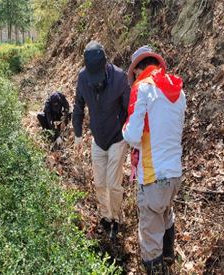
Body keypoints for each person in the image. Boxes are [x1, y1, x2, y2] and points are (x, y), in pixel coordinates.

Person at [122, 46, 186, 274]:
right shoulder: (178, 90)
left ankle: (157, 268)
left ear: (140, 69)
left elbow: (132, 135)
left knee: (150, 235)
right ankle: (170, 261)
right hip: (174, 174)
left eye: (135, 74)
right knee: (166, 214)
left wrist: (124, 128)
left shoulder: (143, 88)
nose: (135, 79)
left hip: (152, 177)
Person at [73, 41, 130, 239]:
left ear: (106, 64)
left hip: (117, 137)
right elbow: (78, 106)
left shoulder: (120, 78)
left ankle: (117, 218)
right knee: (99, 182)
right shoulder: (82, 78)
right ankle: (106, 217)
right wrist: (78, 134)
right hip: (98, 138)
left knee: (113, 184)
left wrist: (125, 131)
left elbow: (127, 109)